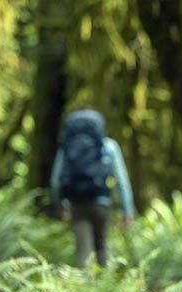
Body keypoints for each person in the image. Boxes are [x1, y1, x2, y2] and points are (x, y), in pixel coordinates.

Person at [50, 109, 136, 267]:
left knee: (83, 251)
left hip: (76, 204)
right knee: (102, 246)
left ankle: (84, 288)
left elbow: (56, 180)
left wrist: (60, 204)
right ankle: (106, 289)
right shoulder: (108, 146)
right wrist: (128, 211)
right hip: (101, 202)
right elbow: (121, 181)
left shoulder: (68, 147)